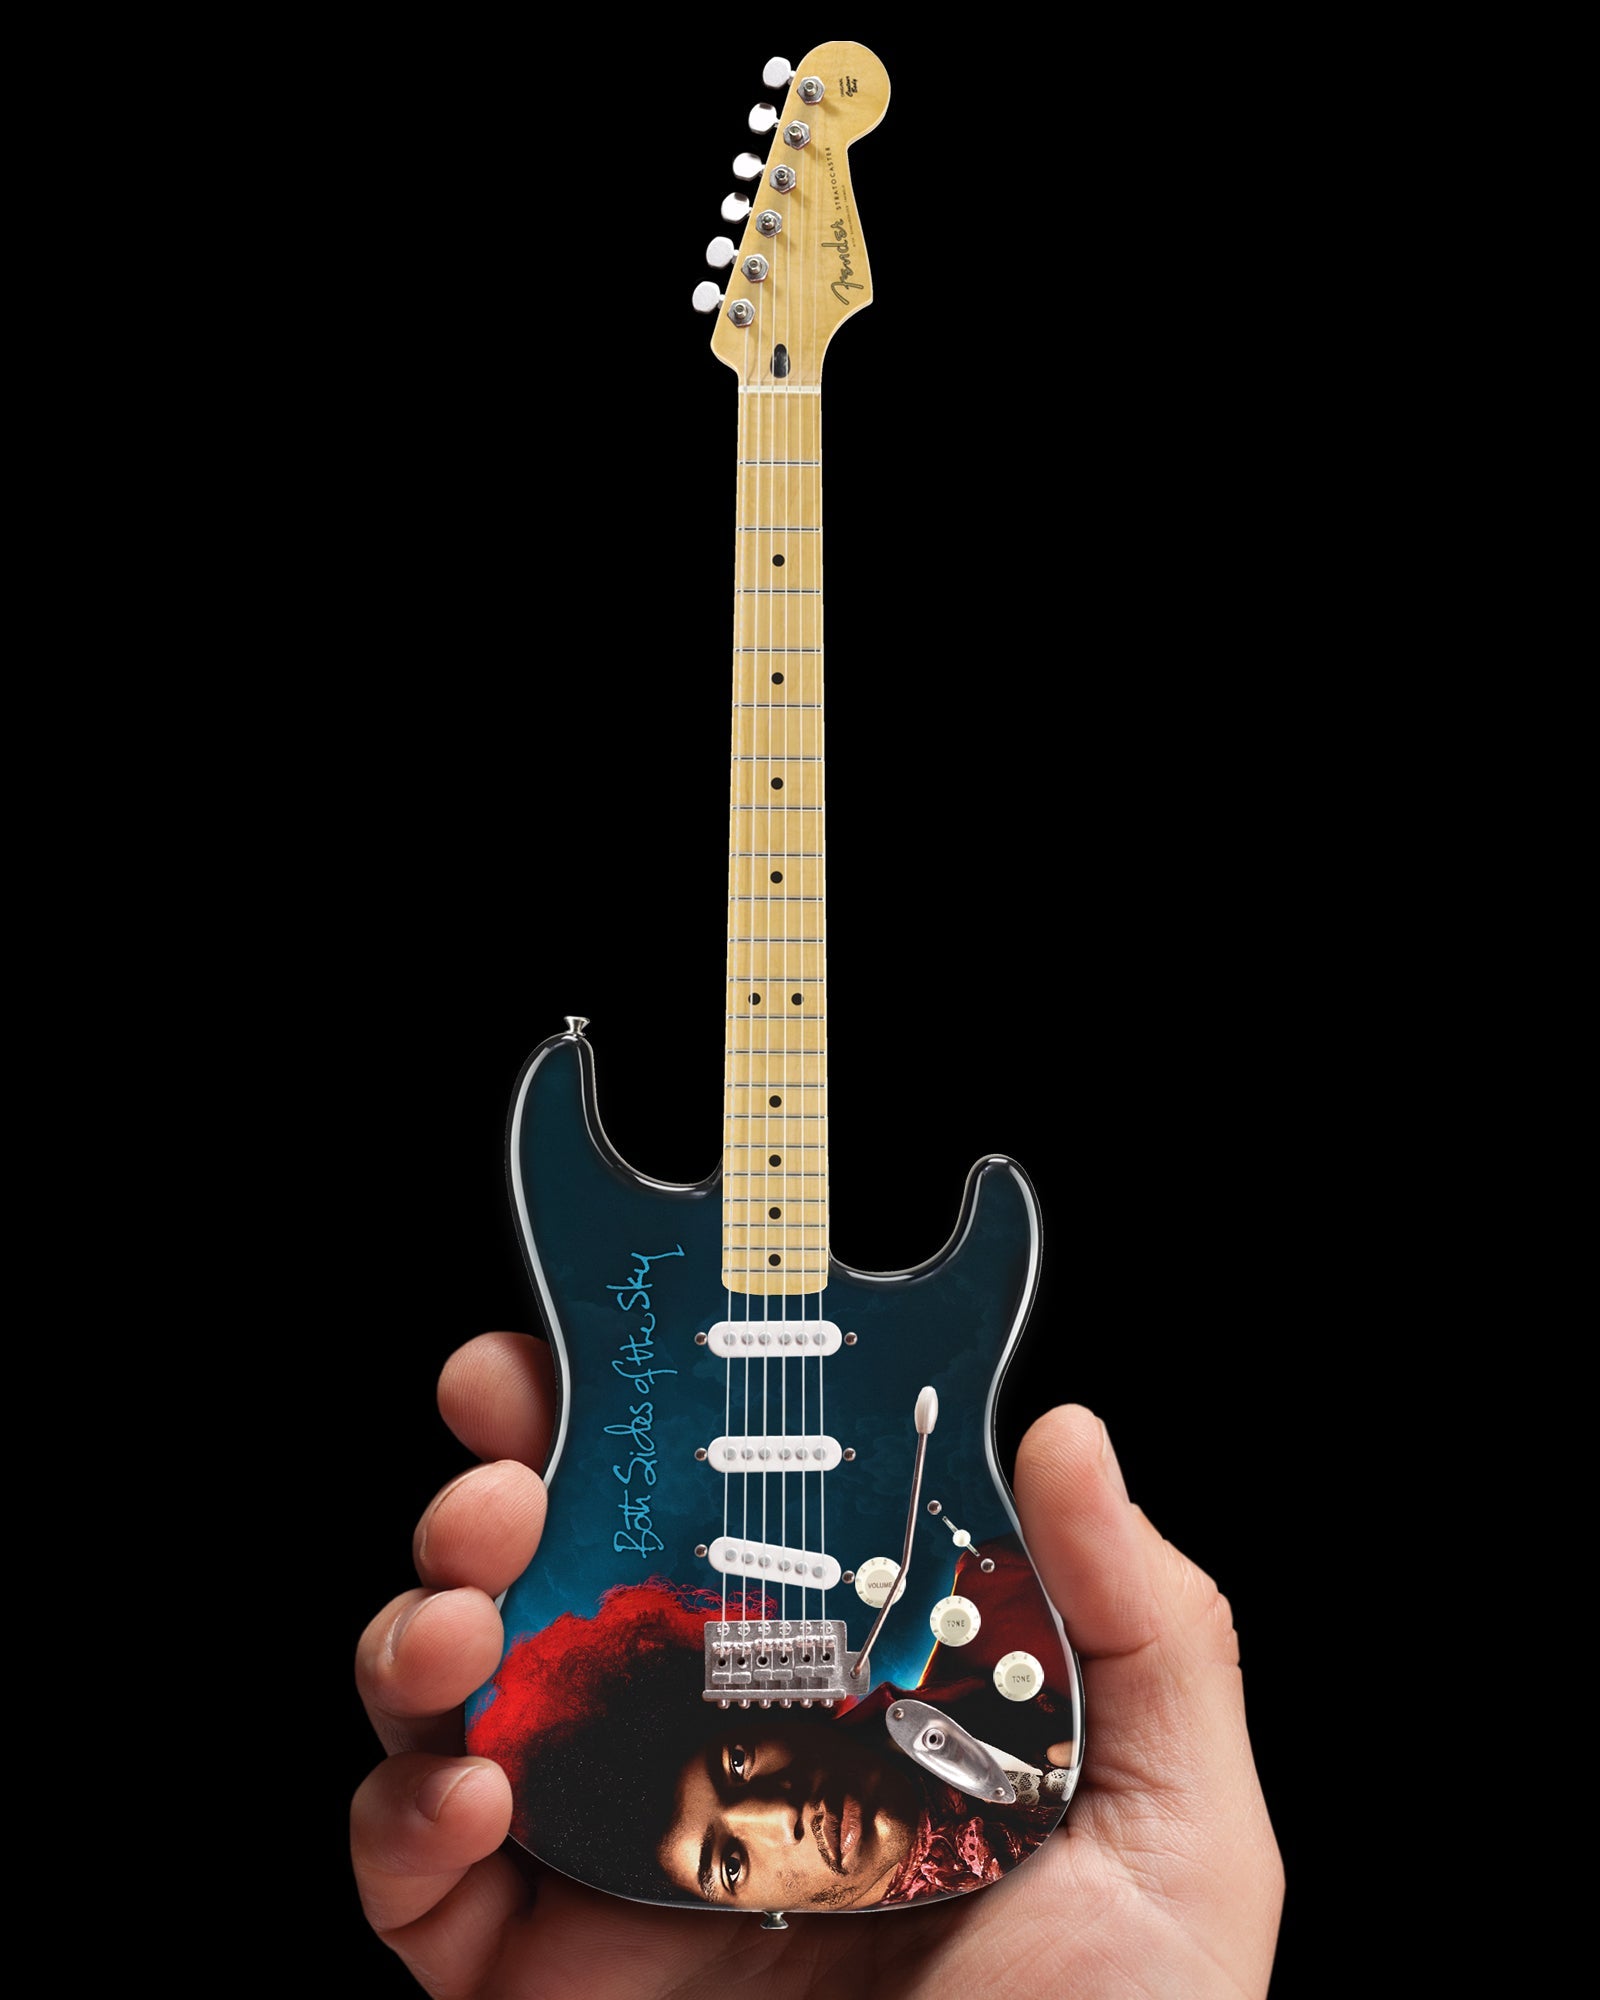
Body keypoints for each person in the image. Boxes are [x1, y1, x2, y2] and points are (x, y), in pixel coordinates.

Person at [352, 1332, 1284, 1992]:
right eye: (728, 1865)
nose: (776, 1817)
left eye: (736, 1761)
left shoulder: (1000, 1617)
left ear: (772, 1703)